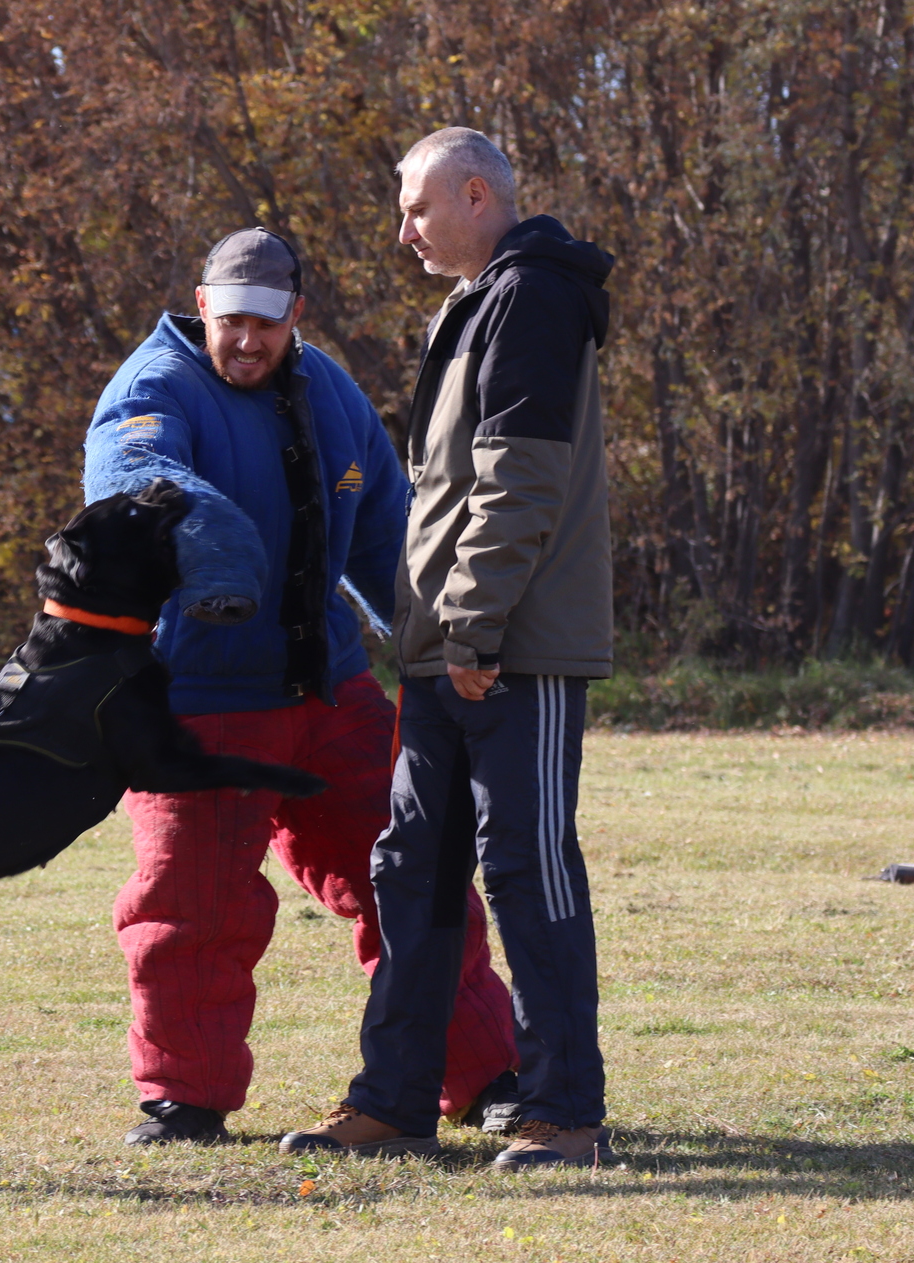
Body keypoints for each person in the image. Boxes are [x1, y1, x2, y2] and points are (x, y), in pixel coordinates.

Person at [83, 226, 519, 1147]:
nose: (247, 341)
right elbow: (137, 483)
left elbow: (393, 531)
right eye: (232, 319)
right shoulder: (152, 389)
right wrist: (221, 553)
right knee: (192, 901)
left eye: (267, 324)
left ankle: (488, 1072)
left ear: (296, 318)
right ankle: (184, 1100)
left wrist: (456, 629)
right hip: (196, 700)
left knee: (415, 873)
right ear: (202, 304)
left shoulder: (328, 389)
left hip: (327, 691)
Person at [280, 128, 616, 1166]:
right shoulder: (471, 305)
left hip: (509, 647)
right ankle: (392, 1102)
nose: (403, 232)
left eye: (416, 209)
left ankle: (564, 1112)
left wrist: (469, 624)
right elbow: (443, 495)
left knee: (524, 869)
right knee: (410, 869)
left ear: (476, 195)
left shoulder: (533, 295)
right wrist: (430, 635)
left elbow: (519, 480)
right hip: (443, 650)